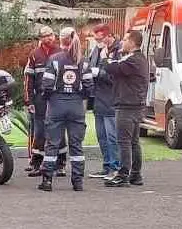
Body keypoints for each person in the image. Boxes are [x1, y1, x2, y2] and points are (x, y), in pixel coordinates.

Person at [38, 27, 93, 192]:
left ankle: (47, 181)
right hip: (76, 105)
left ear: (61, 40)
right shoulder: (83, 61)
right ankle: (78, 182)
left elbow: (46, 85)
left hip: (57, 105)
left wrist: (49, 98)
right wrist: (78, 97)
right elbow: (89, 87)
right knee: (76, 145)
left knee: (52, 144)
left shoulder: (54, 59)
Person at [104, 30, 149, 187]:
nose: (122, 42)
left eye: (124, 39)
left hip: (127, 106)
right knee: (134, 142)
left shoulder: (133, 60)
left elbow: (112, 68)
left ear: (132, 42)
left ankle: (123, 174)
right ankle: (135, 174)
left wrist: (105, 56)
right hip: (135, 105)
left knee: (124, 141)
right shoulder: (139, 59)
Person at [23, 26, 67, 178]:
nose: (49, 38)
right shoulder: (34, 54)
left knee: (58, 131)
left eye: (51, 35)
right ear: (40, 38)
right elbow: (28, 79)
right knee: (40, 132)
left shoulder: (62, 52)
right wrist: (29, 101)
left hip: (57, 98)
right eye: (45, 36)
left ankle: (60, 164)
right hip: (40, 99)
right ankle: (37, 164)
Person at [87, 24, 122, 178]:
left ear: (109, 36)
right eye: (95, 39)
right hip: (99, 99)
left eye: (100, 39)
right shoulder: (97, 50)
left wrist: (99, 73)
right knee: (102, 136)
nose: (97, 42)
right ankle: (107, 165)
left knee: (112, 137)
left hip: (112, 99)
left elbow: (116, 76)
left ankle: (115, 167)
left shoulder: (119, 51)